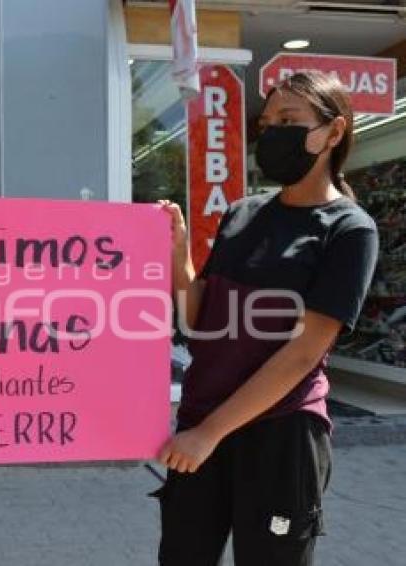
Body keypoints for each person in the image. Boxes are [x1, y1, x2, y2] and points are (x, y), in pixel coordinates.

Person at [155, 71, 379, 565]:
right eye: (268, 121)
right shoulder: (241, 213)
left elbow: (303, 353)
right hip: (201, 423)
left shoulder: (349, 230)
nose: (272, 130)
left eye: (289, 119)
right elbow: (198, 319)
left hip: (280, 436)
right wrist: (178, 256)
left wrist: (209, 433)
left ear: (333, 132)